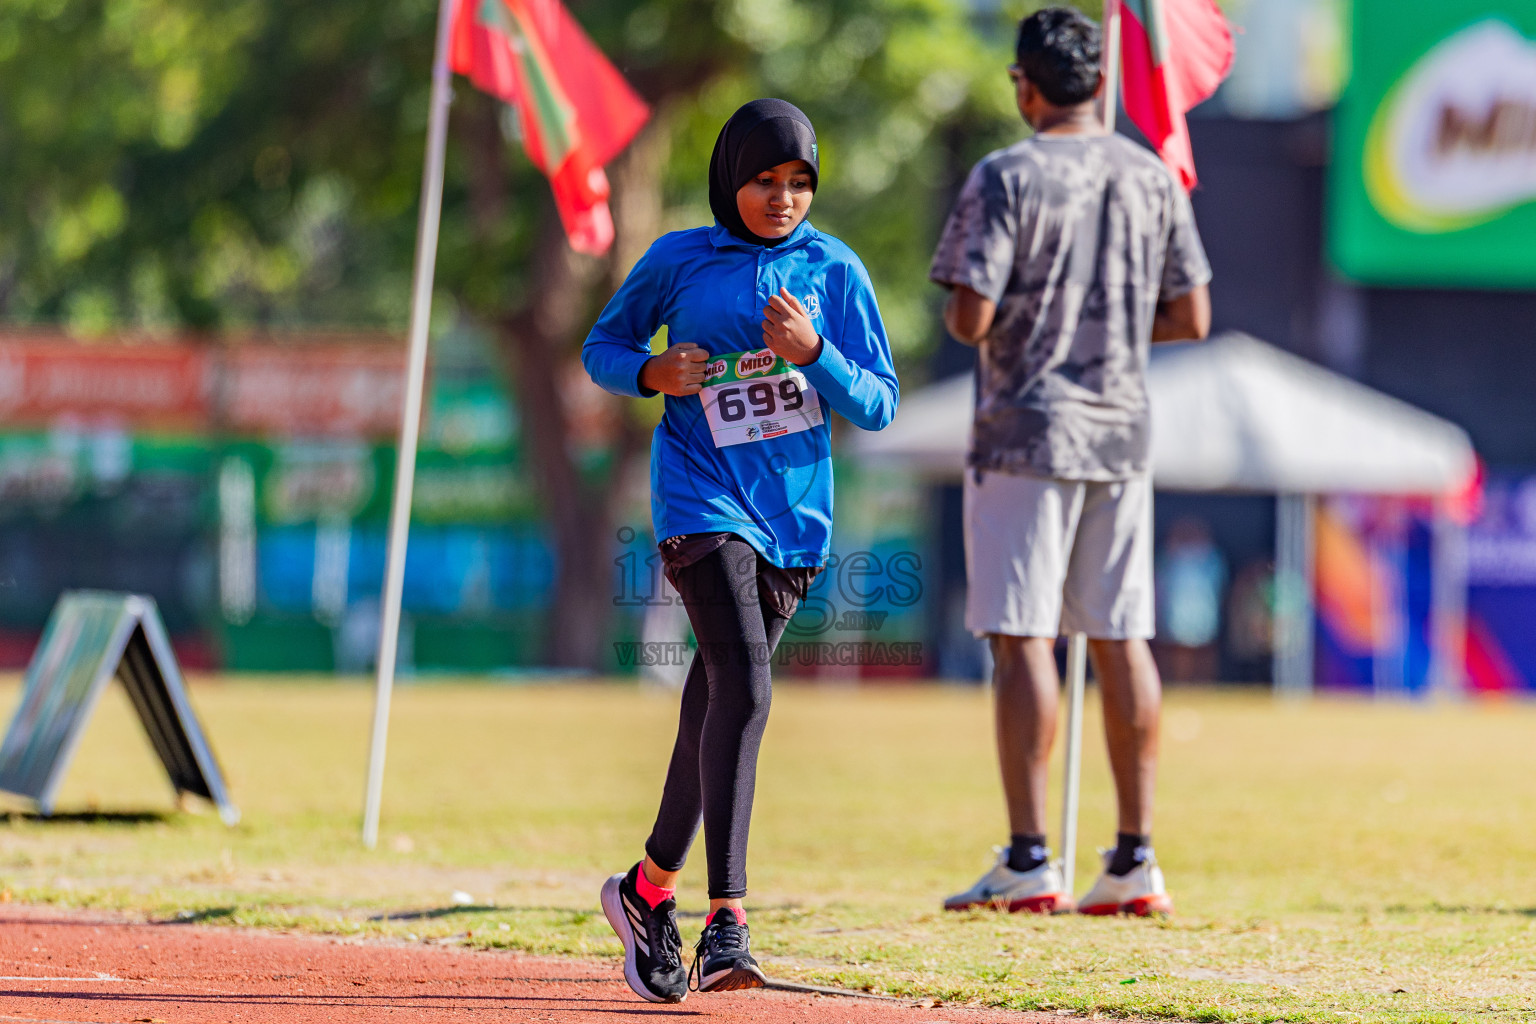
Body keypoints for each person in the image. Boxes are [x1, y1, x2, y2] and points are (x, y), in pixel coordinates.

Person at [582, 99, 899, 1002]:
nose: (783, 198)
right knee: (749, 688)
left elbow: (878, 400)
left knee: (714, 702)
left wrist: (817, 353)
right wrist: (651, 371)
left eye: (800, 182)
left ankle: (646, 891)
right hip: (701, 501)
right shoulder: (679, 260)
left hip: (794, 523)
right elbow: (601, 346)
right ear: (732, 180)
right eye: (766, 181)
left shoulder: (835, 270)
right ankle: (728, 920)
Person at [930, 7, 1212, 917]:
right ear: (1100, 81)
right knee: (1123, 637)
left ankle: (1030, 855)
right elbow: (1192, 316)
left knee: (1023, 636)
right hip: (1123, 435)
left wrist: (1012, 317)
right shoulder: (1151, 175)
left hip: (1025, 431)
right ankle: (1135, 856)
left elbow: (969, 317)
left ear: (1026, 84)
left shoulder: (1005, 175)